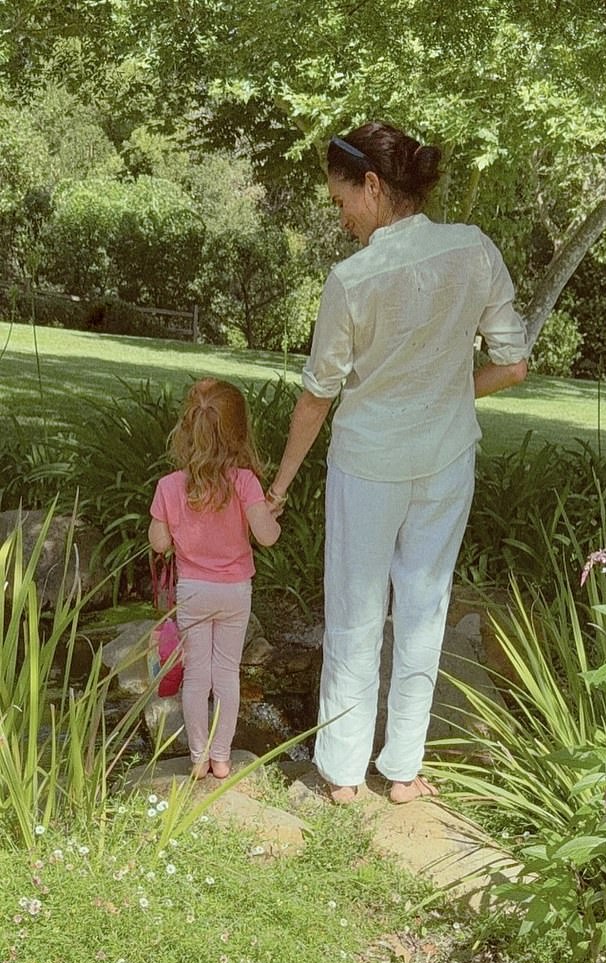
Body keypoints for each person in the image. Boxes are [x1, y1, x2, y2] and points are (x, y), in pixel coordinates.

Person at [266, 121, 528, 804]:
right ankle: (405, 769)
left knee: (355, 608)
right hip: (446, 460)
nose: (341, 216)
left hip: (370, 462)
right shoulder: (474, 250)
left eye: (341, 200)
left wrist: (280, 484)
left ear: (373, 186)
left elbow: (317, 397)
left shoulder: (352, 280)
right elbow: (513, 362)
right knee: (425, 605)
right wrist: (447, 392)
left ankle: (344, 773)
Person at [149, 378, 280, 781]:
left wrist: (172, 525)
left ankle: (197, 757)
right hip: (234, 592)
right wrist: (271, 511)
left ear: (188, 430)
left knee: (196, 675)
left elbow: (159, 542)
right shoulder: (245, 483)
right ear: (239, 434)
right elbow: (268, 538)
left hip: (193, 592)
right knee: (226, 673)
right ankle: (222, 757)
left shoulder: (170, 486)